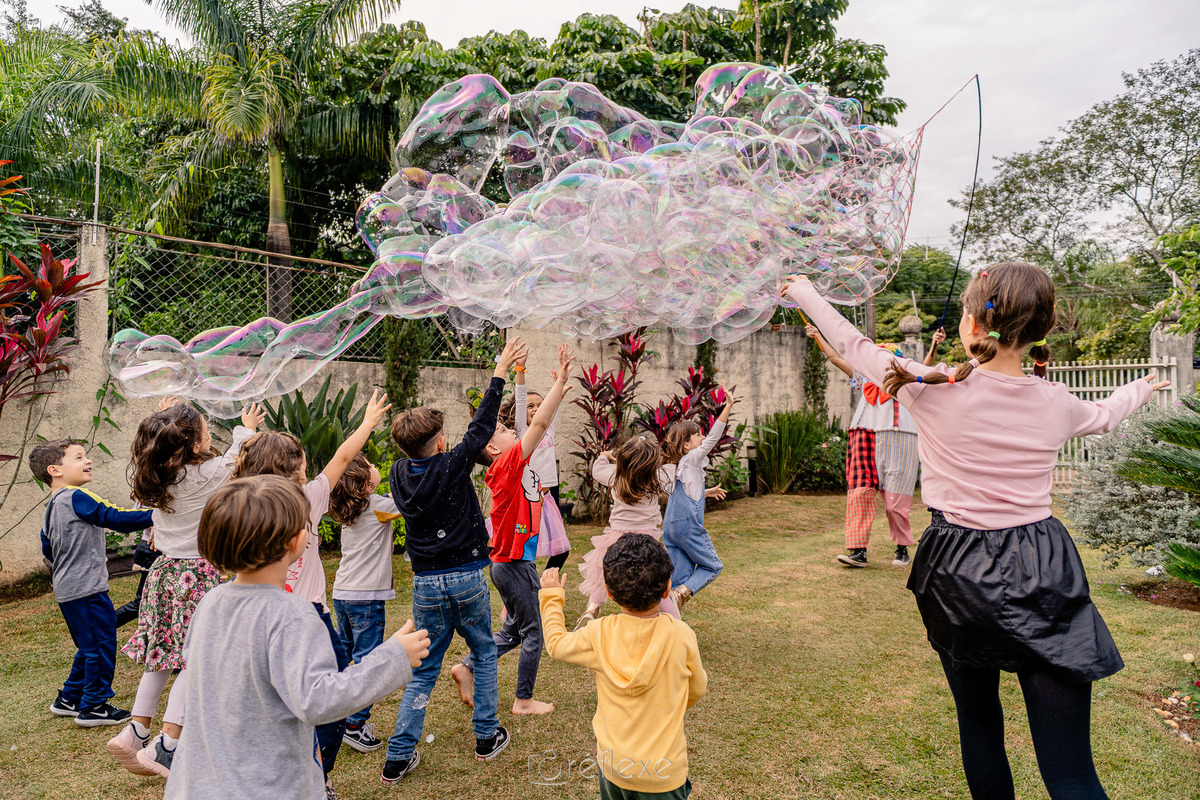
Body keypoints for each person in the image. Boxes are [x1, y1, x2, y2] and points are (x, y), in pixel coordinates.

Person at [786, 263, 1170, 800]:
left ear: (973, 324)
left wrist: (804, 290)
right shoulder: (1056, 401)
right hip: (1043, 562)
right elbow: (1105, 414)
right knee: (1072, 772)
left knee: (980, 723)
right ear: (1041, 328)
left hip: (956, 568)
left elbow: (853, 343)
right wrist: (1141, 389)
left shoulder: (928, 389)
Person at [163, 475, 429, 800]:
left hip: (199, 784)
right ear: (296, 540)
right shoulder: (293, 614)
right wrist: (395, 657)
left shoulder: (210, 603)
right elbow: (318, 700)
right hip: (267, 788)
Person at [230, 390, 390, 799]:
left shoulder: (240, 505)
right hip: (308, 620)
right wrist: (367, 424)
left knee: (271, 703)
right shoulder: (308, 497)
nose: (308, 466)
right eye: (302, 461)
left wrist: (245, 433)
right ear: (294, 470)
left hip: (255, 619)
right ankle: (318, 778)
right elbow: (342, 457)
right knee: (329, 704)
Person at [381, 337, 526, 785]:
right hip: (466, 579)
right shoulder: (451, 464)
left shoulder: (399, 474)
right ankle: (486, 735)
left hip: (426, 584)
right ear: (441, 442)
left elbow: (473, 436)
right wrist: (500, 370)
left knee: (424, 669)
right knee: (483, 651)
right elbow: (482, 428)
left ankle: (398, 755)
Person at [113, 398, 263, 776]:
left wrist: (167, 417)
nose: (210, 434)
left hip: (163, 573)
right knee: (195, 660)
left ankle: (135, 731)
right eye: (205, 430)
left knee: (162, 655)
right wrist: (247, 426)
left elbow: (162, 442)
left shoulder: (158, 474)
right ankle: (167, 745)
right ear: (193, 444)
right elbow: (236, 454)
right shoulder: (207, 474)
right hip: (198, 575)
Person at [450, 343, 574, 717]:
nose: (512, 431)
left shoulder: (509, 466)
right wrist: (560, 381)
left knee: (515, 630)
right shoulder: (506, 466)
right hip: (513, 563)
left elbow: (538, 424)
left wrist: (556, 388)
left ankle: (467, 667)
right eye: (504, 430)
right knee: (535, 630)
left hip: (511, 562)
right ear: (493, 447)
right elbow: (538, 424)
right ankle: (523, 700)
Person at [540, 533, 707, 800]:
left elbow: (557, 644)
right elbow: (696, 688)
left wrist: (551, 597)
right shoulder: (681, 635)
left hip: (614, 767)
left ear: (608, 592)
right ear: (667, 589)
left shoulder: (598, 633)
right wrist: (669, 706)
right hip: (664, 772)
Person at [32, 439, 153, 727]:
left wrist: (84, 556)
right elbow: (115, 518)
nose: (87, 461)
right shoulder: (77, 496)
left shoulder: (52, 506)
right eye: (78, 457)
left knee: (89, 645)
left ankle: (69, 699)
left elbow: (48, 547)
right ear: (55, 470)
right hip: (85, 589)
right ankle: (95, 706)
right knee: (100, 645)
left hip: (68, 588)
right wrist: (158, 515)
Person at [806, 325, 918, 568]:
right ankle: (858, 552)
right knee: (860, 494)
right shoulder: (865, 379)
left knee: (895, 501)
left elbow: (926, 369)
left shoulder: (908, 384)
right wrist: (817, 336)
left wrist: (934, 346)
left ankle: (902, 548)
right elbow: (835, 359)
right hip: (864, 433)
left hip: (899, 436)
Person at [328, 452, 400, 754]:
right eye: (370, 466)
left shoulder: (349, 510)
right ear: (365, 484)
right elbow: (411, 503)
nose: (374, 467)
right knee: (368, 661)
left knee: (343, 655)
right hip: (366, 597)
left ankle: (333, 712)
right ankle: (355, 726)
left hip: (343, 592)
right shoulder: (378, 506)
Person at [575, 436, 678, 629]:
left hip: (617, 537)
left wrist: (604, 456)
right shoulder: (657, 477)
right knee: (657, 579)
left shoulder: (615, 476)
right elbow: (673, 469)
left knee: (601, 575)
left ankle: (592, 609)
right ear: (652, 462)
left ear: (623, 460)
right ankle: (675, 621)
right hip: (647, 540)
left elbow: (597, 470)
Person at [660, 389, 733, 611]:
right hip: (686, 527)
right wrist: (728, 406)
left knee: (679, 576)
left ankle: (669, 615)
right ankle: (681, 594)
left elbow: (686, 491)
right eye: (698, 435)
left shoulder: (680, 465)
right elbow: (713, 438)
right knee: (713, 566)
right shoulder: (692, 458)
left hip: (670, 529)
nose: (703, 437)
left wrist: (707, 492)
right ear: (686, 445)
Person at [514, 359, 572, 570]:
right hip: (526, 502)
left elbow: (552, 409)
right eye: (531, 406)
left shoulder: (549, 430)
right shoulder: (522, 431)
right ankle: (525, 582)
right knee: (526, 549)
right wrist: (520, 369)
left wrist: (559, 389)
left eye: (540, 405)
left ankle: (545, 581)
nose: (536, 409)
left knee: (561, 551)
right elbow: (521, 398)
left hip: (547, 500)